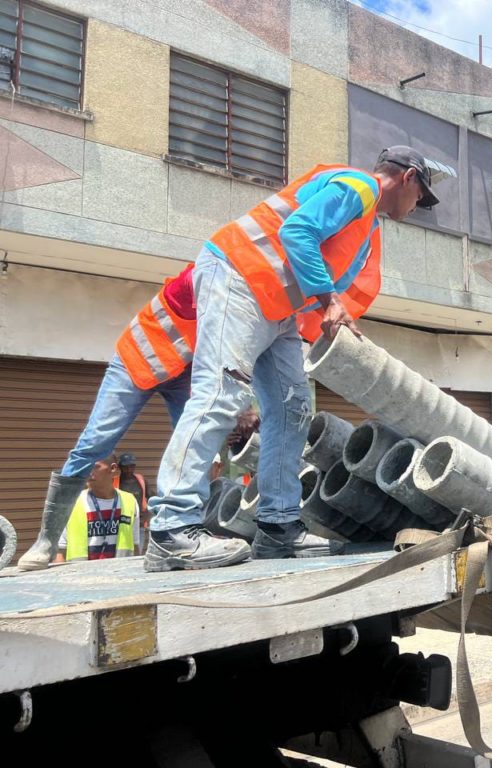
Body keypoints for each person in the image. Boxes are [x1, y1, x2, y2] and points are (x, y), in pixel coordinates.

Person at [144, 146, 440, 572]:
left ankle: (278, 527)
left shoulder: (367, 221)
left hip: (279, 306)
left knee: (292, 409)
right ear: (408, 177)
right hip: (241, 277)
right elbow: (298, 231)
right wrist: (329, 301)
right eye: (420, 197)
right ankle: (171, 528)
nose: (416, 207)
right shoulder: (359, 187)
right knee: (221, 395)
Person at [17, 266, 197, 571]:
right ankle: (46, 540)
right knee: (94, 443)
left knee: (194, 444)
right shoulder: (203, 275)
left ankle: (181, 531)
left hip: (183, 371)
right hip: (139, 359)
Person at [55, 455, 139, 563]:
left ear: (113, 469)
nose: (88, 472)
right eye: (85, 467)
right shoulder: (72, 503)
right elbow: (61, 551)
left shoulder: (129, 501)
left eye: (94, 467)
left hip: (120, 571)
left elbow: (135, 547)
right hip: (81, 573)